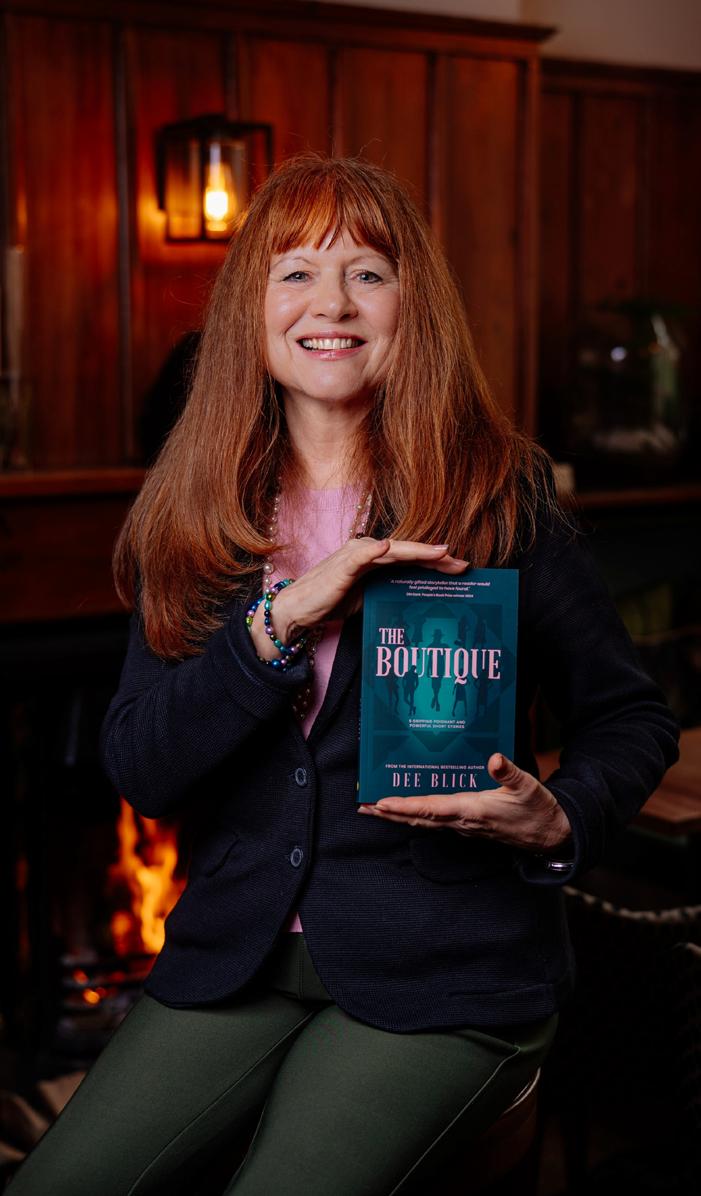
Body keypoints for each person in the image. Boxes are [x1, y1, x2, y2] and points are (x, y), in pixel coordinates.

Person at [8, 155, 679, 1196]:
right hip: (235, 958)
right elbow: (141, 765)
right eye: (295, 273)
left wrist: (559, 818)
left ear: (412, 305)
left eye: (367, 272)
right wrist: (277, 623)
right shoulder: (193, 507)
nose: (331, 303)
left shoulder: (497, 493)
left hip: (448, 967)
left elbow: (629, 715)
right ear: (250, 310)